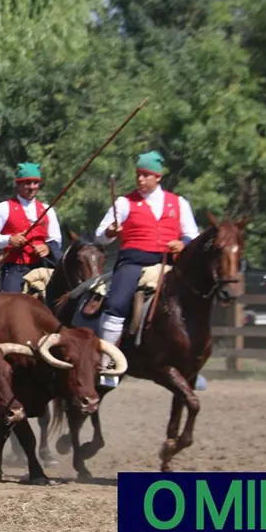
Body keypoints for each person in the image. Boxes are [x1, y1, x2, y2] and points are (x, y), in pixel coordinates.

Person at [92, 150, 199, 372]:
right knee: (116, 305)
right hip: (133, 262)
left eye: (145, 175)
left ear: (157, 177)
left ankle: (192, 364)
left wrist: (183, 244)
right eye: (138, 174)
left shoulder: (178, 203)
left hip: (169, 262)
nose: (140, 179)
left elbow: (192, 236)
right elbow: (99, 236)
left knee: (194, 305)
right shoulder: (124, 202)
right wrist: (111, 231)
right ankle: (106, 363)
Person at [0, 162, 63, 293]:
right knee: (11, 304)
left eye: (35, 183)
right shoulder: (3, 208)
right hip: (15, 268)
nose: (32, 187)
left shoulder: (48, 210)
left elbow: (56, 239)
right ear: (18, 184)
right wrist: (9, 240)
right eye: (27, 183)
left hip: (43, 266)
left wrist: (47, 247)